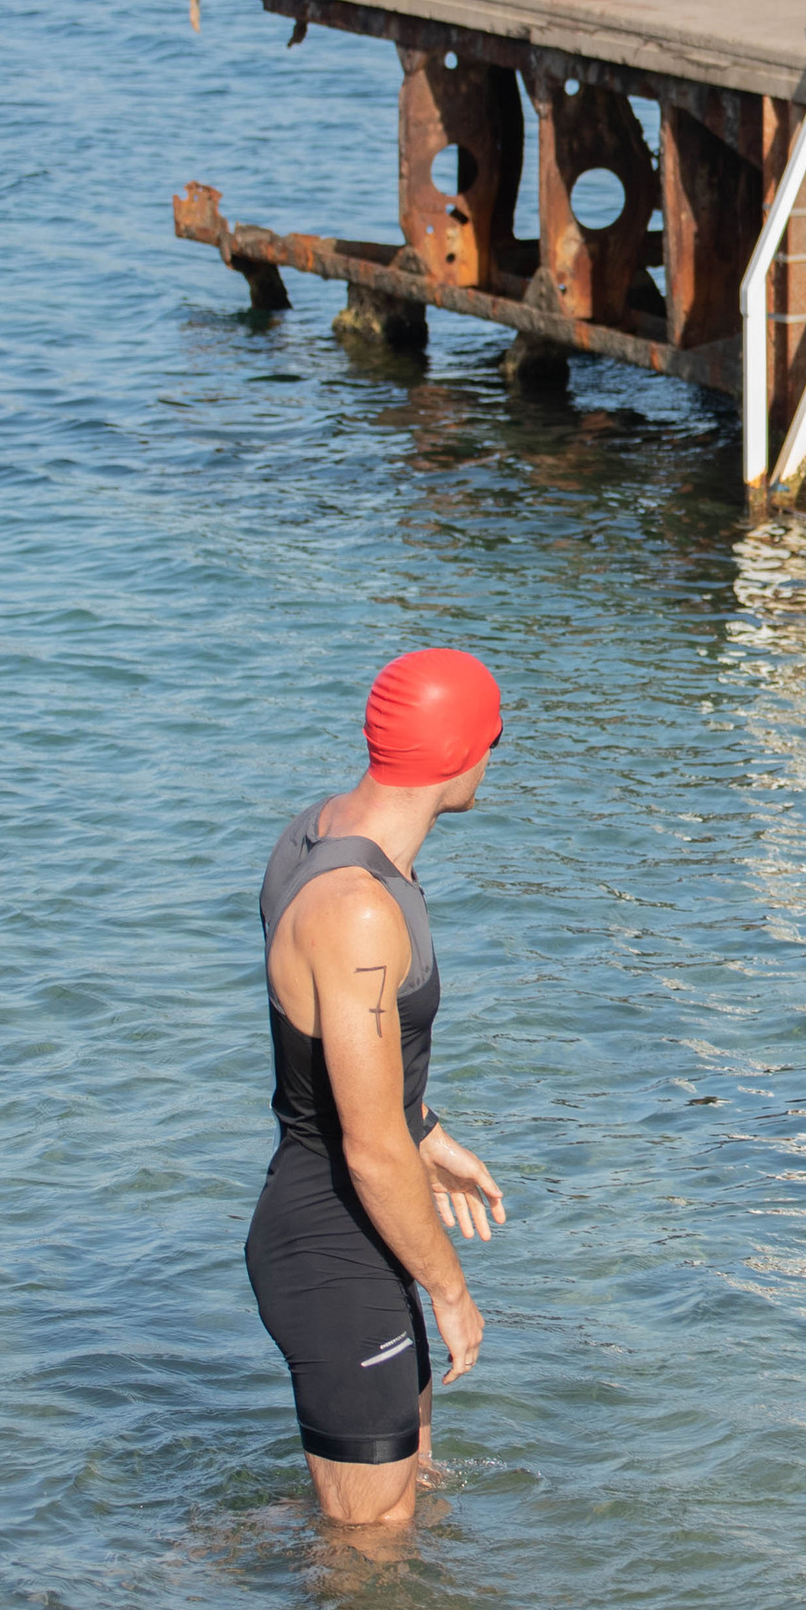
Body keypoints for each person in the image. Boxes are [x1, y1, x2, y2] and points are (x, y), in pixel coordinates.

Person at [248, 646, 509, 1530]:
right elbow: (362, 1142)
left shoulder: (315, 832)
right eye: (493, 741)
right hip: (331, 1243)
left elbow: (327, 1047)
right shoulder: (358, 909)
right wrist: (450, 1289)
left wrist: (425, 1131)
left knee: (405, 1502)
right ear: (460, 754)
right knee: (368, 1564)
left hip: (360, 1224)